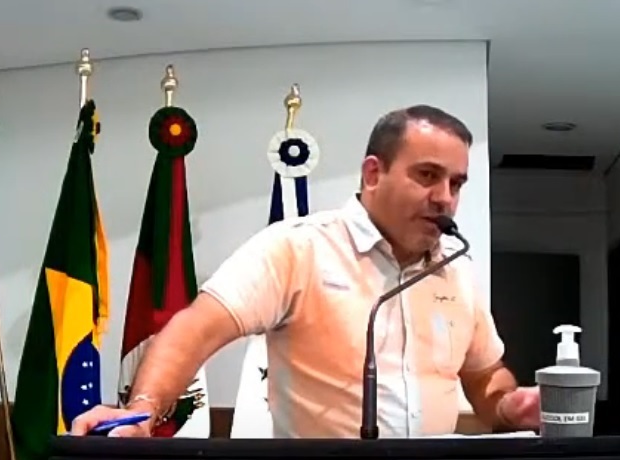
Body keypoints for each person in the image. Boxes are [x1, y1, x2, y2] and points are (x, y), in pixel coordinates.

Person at [71, 104, 541, 438]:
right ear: (373, 174)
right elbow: (196, 329)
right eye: (427, 176)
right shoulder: (300, 248)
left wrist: (509, 404)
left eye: (456, 183)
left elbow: (484, 374)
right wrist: (144, 410)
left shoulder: (455, 269)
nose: (445, 198)